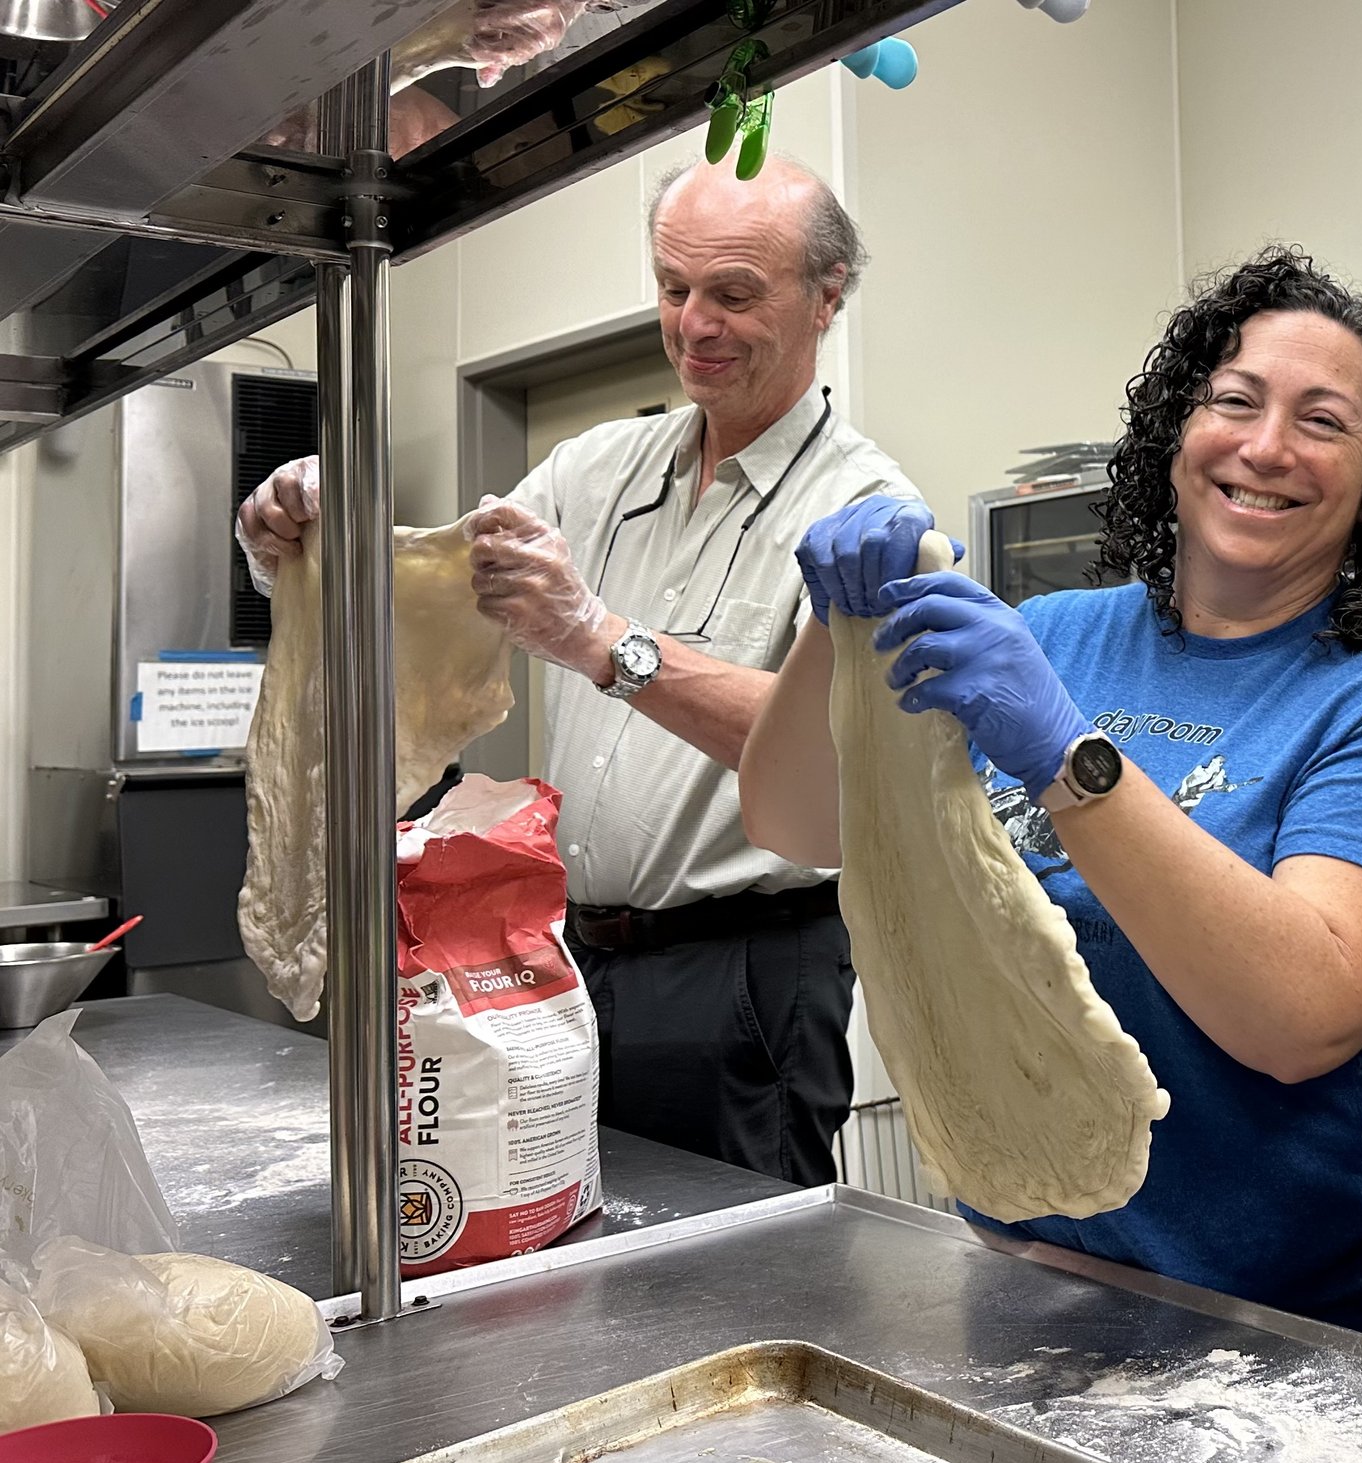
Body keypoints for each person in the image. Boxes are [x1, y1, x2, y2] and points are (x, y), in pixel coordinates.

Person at [743, 247, 1362, 1345]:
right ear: (1177, 429)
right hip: (1033, 1275)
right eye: (1235, 400)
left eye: (1323, 421)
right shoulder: (1051, 634)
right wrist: (837, 621)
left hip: (1307, 1318)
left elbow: (1306, 1018)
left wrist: (1065, 754)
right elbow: (794, 822)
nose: (1265, 446)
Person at [235, 155, 917, 1186]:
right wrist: (303, 545)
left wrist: (601, 640)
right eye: (673, 288)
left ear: (827, 297)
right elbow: (429, 599)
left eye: (733, 294)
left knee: (731, 1255)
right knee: (572, 1234)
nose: (694, 325)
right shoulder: (595, 470)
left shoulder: (867, 512)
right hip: (567, 952)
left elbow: (835, 754)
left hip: (745, 970)